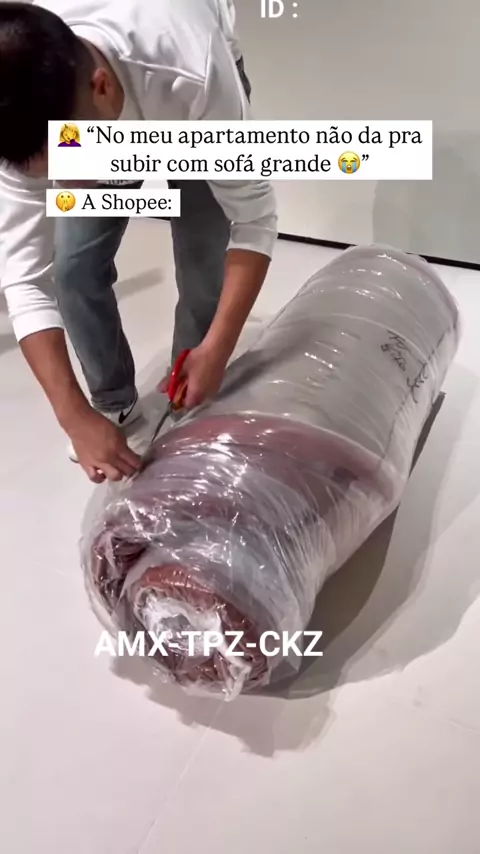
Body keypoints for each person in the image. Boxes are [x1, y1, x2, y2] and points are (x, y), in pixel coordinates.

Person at [0, 0, 278, 483]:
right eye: (50, 178)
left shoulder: (193, 70)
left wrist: (218, 347)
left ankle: (186, 395)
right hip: (96, 105)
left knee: (202, 260)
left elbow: (254, 217)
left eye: (74, 163)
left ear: (102, 88)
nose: (68, 190)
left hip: (186, 102)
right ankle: (113, 402)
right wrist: (74, 415)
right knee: (73, 268)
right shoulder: (19, 109)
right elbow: (25, 280)